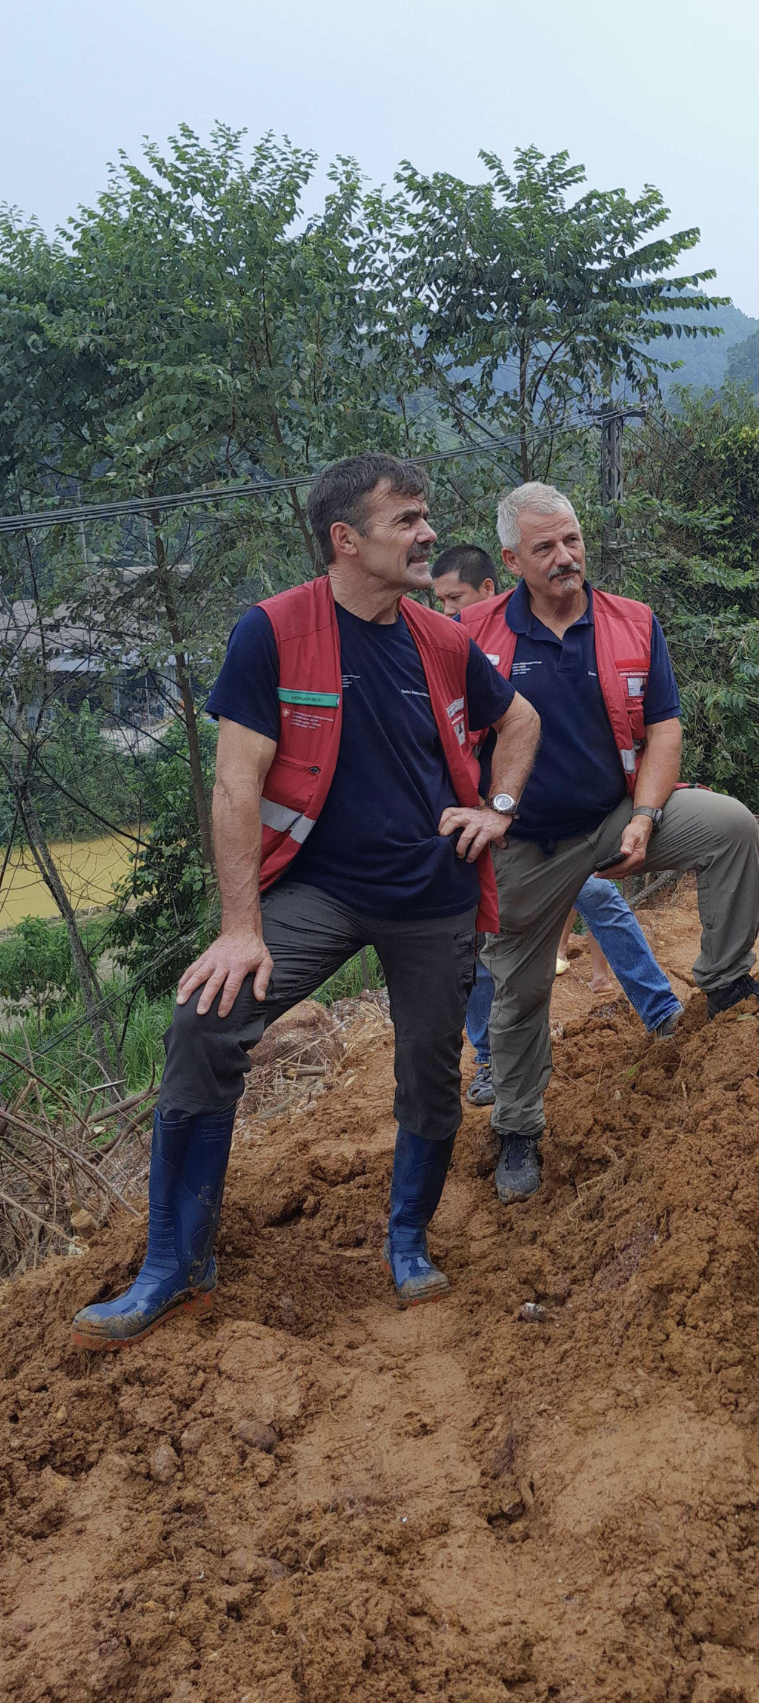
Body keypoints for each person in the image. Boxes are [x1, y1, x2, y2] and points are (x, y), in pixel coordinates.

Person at [70, 454, 540, 1349]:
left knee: (431, 1074)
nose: (428, 534)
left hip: (431, 895)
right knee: (205, 1020)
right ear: (345, 539)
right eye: (407, 519)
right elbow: (235, 783)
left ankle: (408, 1243)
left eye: (425, 517)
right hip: (317, 890)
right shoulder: (274, 632)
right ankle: (176, 1265)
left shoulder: (439, 640)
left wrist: (498, 808)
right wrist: (241, 930)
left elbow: (519, 721)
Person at [460, 481, 759, 1205]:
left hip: (614, 815)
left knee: (731, 825)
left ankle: (727, 982)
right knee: (519, 993)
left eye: (572, 539)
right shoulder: (474, 636)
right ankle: (519, 1129)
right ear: (512, 557)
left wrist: (645, 816)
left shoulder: (632, 622)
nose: (564, 556)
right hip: (524, 843)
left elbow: (664, 729)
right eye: (545, 546)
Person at [430, 541, 683, 1110]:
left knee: (600, 903)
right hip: (504, 834)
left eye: (455, 599)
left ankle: (662, 1011)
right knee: (479, 941)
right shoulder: (456, 646)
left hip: (576, 826)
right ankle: (495, 1060)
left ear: (491, 590)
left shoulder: (523, 633)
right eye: (440, 601)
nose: (447, 612)